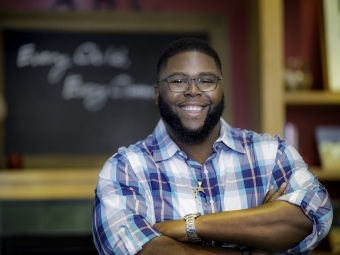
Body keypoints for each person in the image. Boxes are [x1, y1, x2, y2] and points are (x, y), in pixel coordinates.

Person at [92, 38, 333, 255]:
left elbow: (314, 214)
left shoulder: (272, 154)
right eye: (178, 81)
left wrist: (188, 227)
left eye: (206, 80)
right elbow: (138, 251)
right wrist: (252, 246)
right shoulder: (125, 168)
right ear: (157, 93)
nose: (194, 91)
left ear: (221, 88)